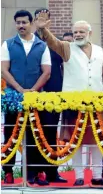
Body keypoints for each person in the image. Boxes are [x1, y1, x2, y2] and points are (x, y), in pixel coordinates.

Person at [34, 10, 103, 186]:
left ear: (89, 34)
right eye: (75, 32)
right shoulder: (67, 48)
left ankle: (98, 176)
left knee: (97, 141)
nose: (77, 35)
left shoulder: (100, 50)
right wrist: (43, 30)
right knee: (75, 141)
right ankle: (78, 176)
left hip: (97, 103)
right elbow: (52, 42)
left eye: (81, 32)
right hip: (73, 104)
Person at [1, 10, 51, 185]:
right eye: (18, 23)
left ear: (31, 23)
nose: (21, 26)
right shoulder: (7, 44)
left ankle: (33, 173)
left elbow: (46, 72)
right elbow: (4, 70)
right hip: (13, 98)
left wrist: (32, 90)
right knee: (10, 135)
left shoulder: (41, 45)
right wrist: (20, 89)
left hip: (35, 98)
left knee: (35, 135)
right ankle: (8, 172)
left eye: (24, 22)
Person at [33, 8, 67, 183]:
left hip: (54, 94)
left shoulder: (56, 44)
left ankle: (52, 173)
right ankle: (35, 173)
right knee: (34, 134)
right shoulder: (30, 43)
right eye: (38, 18)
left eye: (45, 18)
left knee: (50, 133)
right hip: (35, 94)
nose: (41, 21)